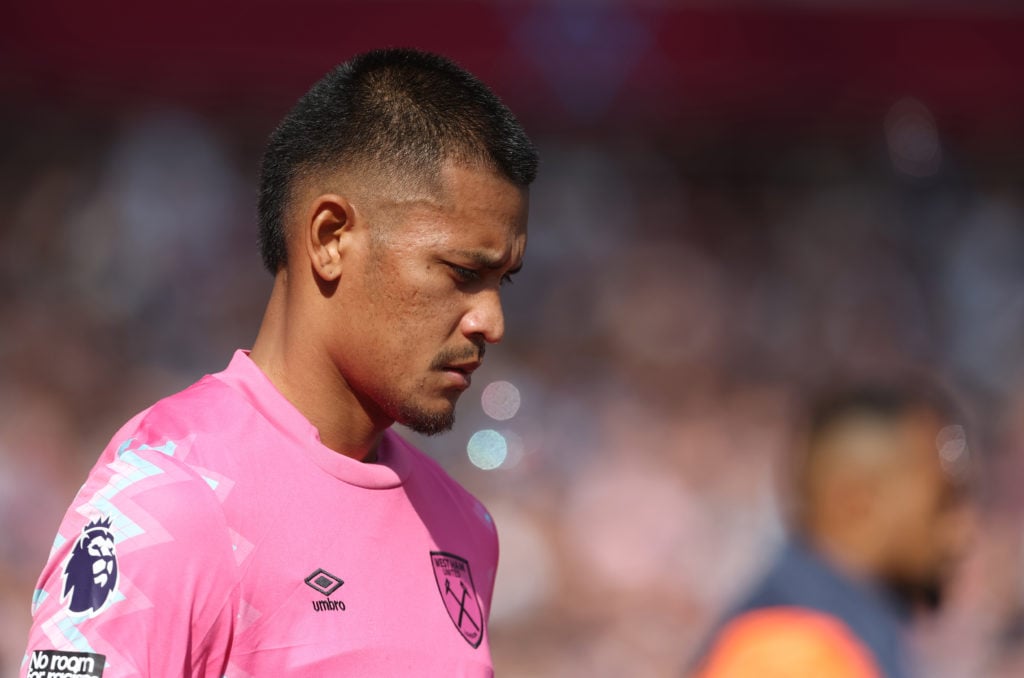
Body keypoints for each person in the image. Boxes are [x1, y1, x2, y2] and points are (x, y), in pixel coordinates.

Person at [22, 48, 537, 677]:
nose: (491, 321)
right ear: (330, 238)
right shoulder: (171, 498)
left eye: (501, 282)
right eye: (463, 273)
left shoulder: (465, 526)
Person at [692, 383, 976, 678]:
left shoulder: (845, 634)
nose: (963, 533)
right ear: (856, 499)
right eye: (943, 504)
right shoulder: (790, 651)